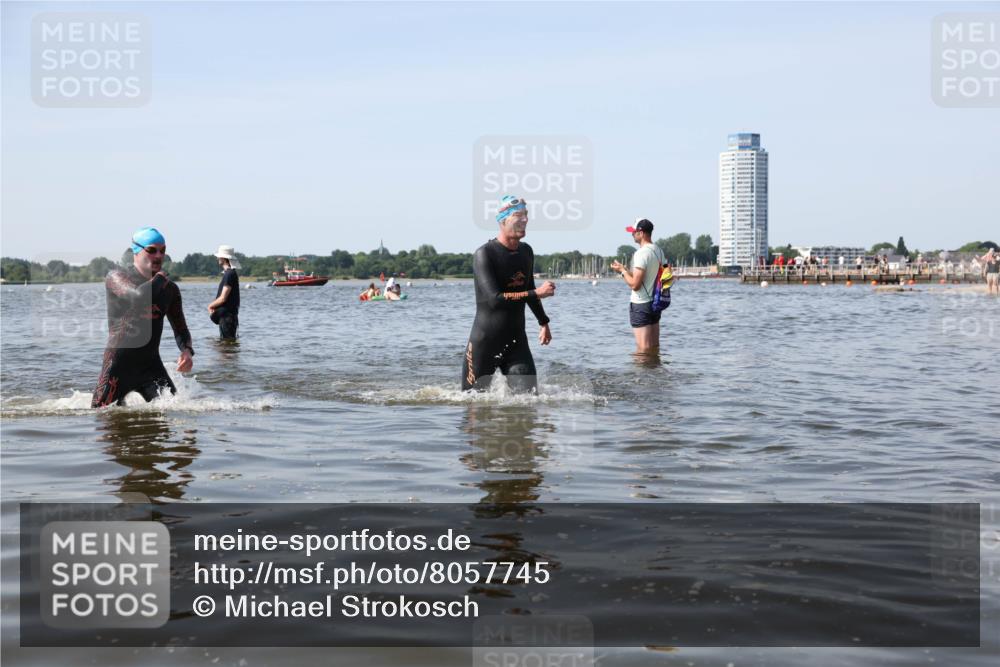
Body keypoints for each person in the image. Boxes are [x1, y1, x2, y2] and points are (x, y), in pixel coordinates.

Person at [92, 227, 194, 407]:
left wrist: (186, 350)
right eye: (152, 250)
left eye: (163, 251)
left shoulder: (170, 290)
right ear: (136, 252)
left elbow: (180, 328)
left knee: (178, 412)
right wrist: (160, 279)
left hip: (151, 367)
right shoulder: (116, 277)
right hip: (118, 367)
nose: (158, 256)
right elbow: (139, 297)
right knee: (101, 419)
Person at [462, 195, 555, 393]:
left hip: (516, 342)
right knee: (472, 406)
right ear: (502, 220)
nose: (525, 219)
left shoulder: (526, 251)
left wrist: (543, 321)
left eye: (526, 215)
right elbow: (494, 299)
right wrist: (536, 292)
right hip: (484, 343)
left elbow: (528, 286)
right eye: (518, 215)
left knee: (529, 402)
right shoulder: (484, 253)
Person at [610, 218, 666, 354]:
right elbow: (650, 276)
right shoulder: (658, 251)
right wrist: (624, 268)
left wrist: (622, 272)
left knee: (643, 351)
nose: (632, 234)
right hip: (655, 303)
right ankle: (656, 374)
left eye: (634, 232)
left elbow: (635, 285)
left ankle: (641, 375)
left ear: (641, 233)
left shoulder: (641, 253)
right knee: (653, 348)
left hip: (641, 305)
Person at [207, 245, 240, 339]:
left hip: (227, 318)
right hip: (227, 317)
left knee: (226, 347)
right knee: (227, 347)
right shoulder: (229, 273)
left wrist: (210, 305)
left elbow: (223, 298)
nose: (217, 258)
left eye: (219, 256)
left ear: (224, 258)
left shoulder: (229, 274)